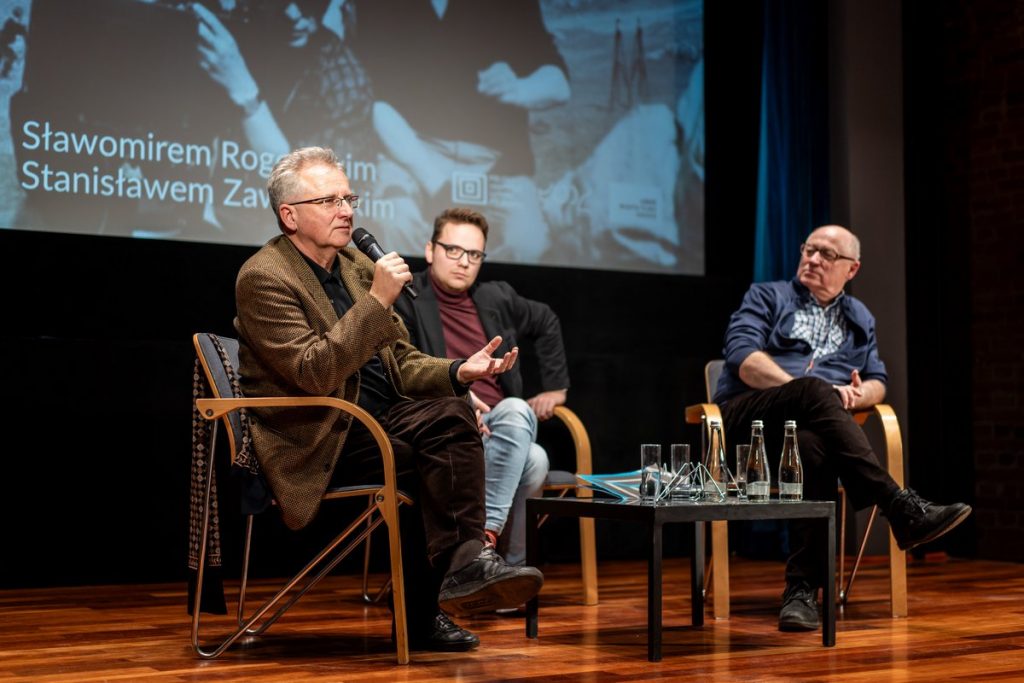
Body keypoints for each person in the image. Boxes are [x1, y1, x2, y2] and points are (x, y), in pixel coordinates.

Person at [234, 146, 544, 652]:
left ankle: (461, 569)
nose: (347, 211)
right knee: (423, 452)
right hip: (318, 436)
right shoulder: (264, 277)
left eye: (349, 196)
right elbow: (314, 373)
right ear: (289, 215)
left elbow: (400, 359)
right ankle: (444, 592)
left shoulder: (355, 265)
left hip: (383, 423)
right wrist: (378, 301)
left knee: (450, 411)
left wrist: (458, 370)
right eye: (330, 200)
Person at [713, 224, 972, 633]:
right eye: (809, 250)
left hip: (811, 431)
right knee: (815, 396)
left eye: (827, 255)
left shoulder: (859, 317)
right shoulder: (767, 296)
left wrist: (857, 395)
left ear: (852, 270)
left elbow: (877, 380)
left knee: (815, 445)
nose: (813, 259)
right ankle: (898, 506)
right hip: (750, 423)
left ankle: (800, 593)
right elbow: (744, 359)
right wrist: (814, 392)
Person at [395, 207, 570, 569]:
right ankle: (496, 564)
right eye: (453, 250)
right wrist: (457, 398)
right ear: (430, 250)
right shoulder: (404, 298)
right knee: (535, 459)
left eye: (474, 254)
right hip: (443, 435)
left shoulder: (496, 297)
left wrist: (555, 387)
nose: (464, 262)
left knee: (518, 417)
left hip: (501, 432)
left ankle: (484, 552)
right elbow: (398, 371)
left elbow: (547, 320)